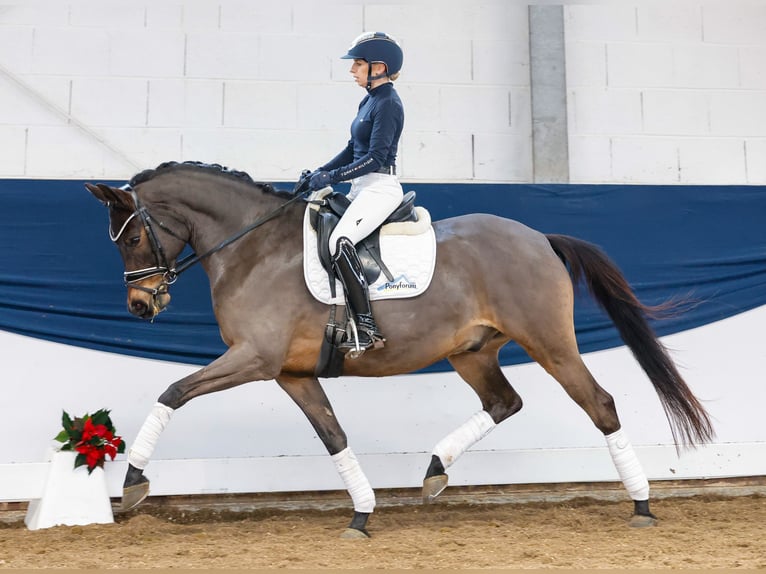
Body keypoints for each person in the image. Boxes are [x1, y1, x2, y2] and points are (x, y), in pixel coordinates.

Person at [307, 31, 405, 355]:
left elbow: (374, 158)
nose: (352, 71)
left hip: (380, 187)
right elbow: (352, 150)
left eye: (358, 64)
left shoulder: (388, 103)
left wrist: (331, 176)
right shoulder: (369, 100)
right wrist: (318, 174)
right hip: (362, 187)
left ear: (379, 66)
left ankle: (366, 326)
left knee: (339, 241)